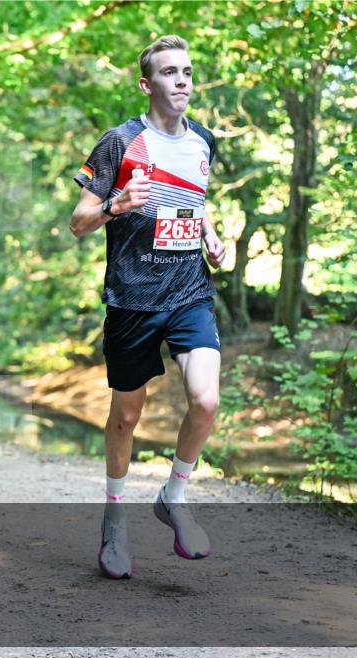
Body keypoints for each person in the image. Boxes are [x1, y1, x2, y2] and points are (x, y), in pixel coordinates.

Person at [69, 35, 227, 579]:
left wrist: (209, 236)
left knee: (205, 400)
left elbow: (195, 200)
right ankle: (115, 519)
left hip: (189, 292)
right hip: (133, 298)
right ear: (147, 84)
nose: (181, 80)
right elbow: (78, 221)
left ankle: (174, 498)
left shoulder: (204, 140)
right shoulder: (119, 142)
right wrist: (115, 205)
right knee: (126, 417)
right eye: (168, 72)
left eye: (187, 71)